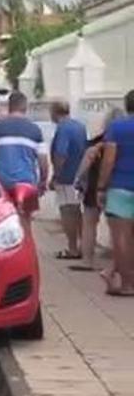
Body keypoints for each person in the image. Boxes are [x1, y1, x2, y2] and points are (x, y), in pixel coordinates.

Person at [0, 91, 48, 225]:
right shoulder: (35, 131)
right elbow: (43, 161)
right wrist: (43, 181)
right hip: (27, 182)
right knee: (25, 222)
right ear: (25, 107)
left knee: (3, 223)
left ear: (9, 107)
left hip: (2, 183)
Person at [72, 109, 122, 274]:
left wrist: (78, 180)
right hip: (117, 186)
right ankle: (118, 261)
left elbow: (86, 161)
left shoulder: (97, 142)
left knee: (89, 223)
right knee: (118, 227)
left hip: (95, 186)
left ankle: (88, 260)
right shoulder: (125, 142)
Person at [97, 90, 134, 297]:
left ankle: (128, 284)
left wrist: (101, 186)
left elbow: (109, 160)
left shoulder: (117, 127)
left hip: (120, 186)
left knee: (121, 238)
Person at [50, 102, 87, 260]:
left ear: (55, 112)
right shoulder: (80, 126)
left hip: (66, 177)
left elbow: (61, 153)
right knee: (77, 212)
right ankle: (83, 245)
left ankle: (72, 248)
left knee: (67, 212)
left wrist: (56, 175)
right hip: (80, 176)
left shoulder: (63, 128)